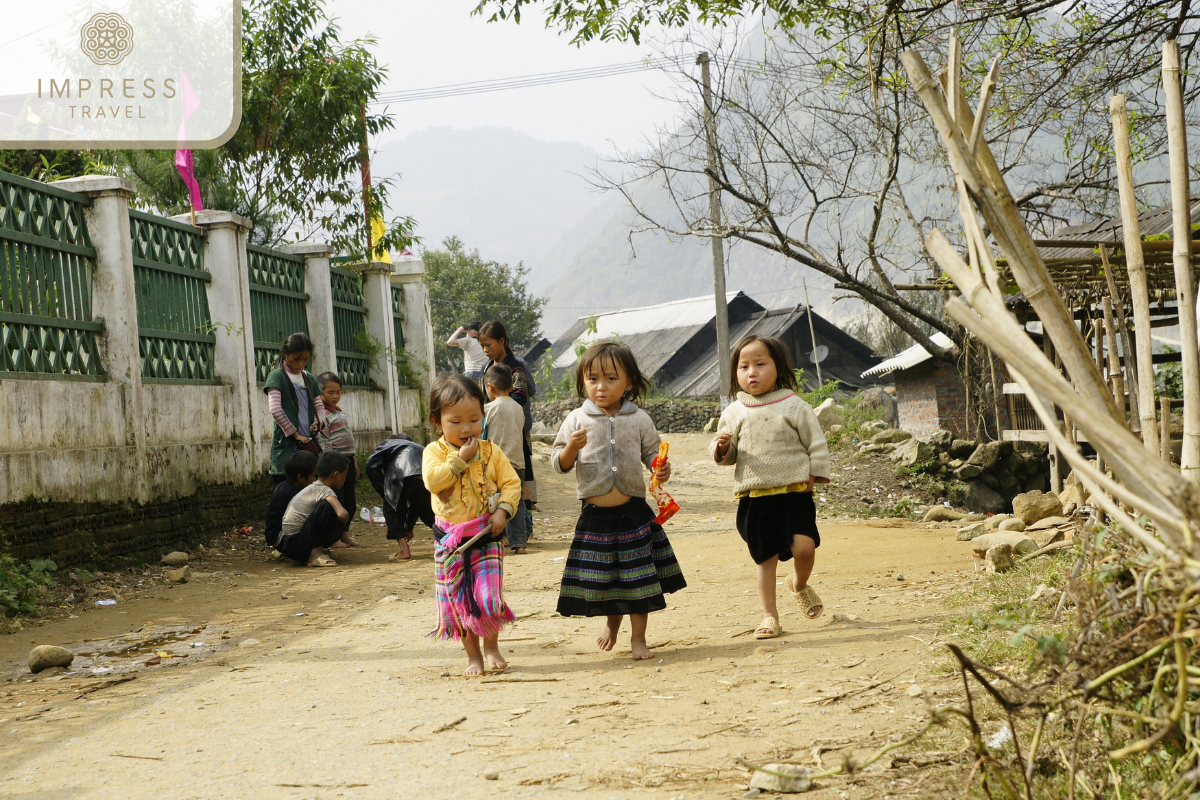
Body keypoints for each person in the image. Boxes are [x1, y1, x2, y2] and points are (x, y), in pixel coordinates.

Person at [552, 341, 686, 661]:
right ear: (583, 381)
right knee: (609, 581)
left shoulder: (639, 418)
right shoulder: (575, 420)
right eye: (593, 378)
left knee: (638, 580)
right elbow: (559, 464)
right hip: (595, 516)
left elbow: (653, 457)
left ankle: (638, 640)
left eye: (611, 378)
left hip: (634, 513)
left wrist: (660, 468)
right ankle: (612, 625)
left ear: (628, 383)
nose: (601, 386)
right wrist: (571, 447)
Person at [710, 334, 830, 640]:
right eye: (744, 366)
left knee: (805, 548)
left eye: (760, 364)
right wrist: (722, 448)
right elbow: (728, 456)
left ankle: (799, 584)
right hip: (756, 497)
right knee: (765, 558)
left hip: (795, 493)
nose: (752, 372)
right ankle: (770, 616)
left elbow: (816, 443)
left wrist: (814, 474)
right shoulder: (734, 412)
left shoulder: (793, 406)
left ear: (778, 367)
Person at [422, 374, 522, 677]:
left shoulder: (491, 452)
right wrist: (459, 461)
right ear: (438, 421)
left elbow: (511, 484)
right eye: (456, 422)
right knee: (460, 604)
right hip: (450, 543)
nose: (466, 429)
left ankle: (491, 647)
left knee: (488, 598)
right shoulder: (433, 452)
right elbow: (433, 482)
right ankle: (474, 657)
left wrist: (503, 511)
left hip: (486, 537)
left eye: (474, 419)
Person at [477, 320, 536, 538]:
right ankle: (515, 532)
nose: (485, 350)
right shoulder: (485, 368)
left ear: (502, 341)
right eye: (482, 346)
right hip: (495, 433)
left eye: (489, 345)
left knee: (519, 484)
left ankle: (524, 529)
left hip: (515, 430)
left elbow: (522, 394)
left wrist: (501, 405)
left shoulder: (516, 365)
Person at [264, 333, 326, 486]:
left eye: (305, 359)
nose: (301, 363)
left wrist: (320, 422)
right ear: (285, 354)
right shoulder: (277, 376)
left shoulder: (309, 378)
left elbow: (319, 405)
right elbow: (275, 409)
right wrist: (296, 434)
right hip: (286, 446)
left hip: (308, 445)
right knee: (286, 490)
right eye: (297, 358)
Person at [366, 434, 435, 562]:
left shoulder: (388, 444)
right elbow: (415, 506)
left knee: (391, 510)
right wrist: (408, 528)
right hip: (426, 475)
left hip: (401, 472)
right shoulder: (419, 447)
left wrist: (384, 490)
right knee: (426, 509)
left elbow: (371, 464)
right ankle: (447, 543)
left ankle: (404, 550)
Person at [482, 363, 529, 553]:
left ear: (489, 387)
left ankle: (493, 540)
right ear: (511, 387)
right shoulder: (519, 408)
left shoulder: (488, 409)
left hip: (497, 463)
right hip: (518, 462)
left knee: (493, 502)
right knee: (516, 502)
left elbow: (483, 436)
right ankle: (520, 544)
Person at [278, 451, 352, 567]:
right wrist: (340, 525)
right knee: (326, 507)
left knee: (327, 508)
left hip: (291, 545)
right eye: (345, 475)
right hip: (297, 546)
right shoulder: (324, 490)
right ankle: (315, 554)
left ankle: (318, 550)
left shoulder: (314, 487)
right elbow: (342, 514)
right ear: (336, 474)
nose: (345, 479)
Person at [315, 371, 358, 532]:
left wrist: (353, 460)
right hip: (336, 466)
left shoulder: (339, 411)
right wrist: (332, 465)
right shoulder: (323, 416)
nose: (335, 396)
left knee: (350, 502)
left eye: (338, 392)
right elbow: (325, 442)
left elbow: (348, 441)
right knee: (337, 500)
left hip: (347, 462)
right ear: (320, 394)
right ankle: (335, 536)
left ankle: (344, 534)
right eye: (330, 392)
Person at [264, 450, 318, 550]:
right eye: (313, 476)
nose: (315, 480)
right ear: (300, 477)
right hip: (280, 538)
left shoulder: (286, 486)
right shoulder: (291, 493)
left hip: (277, 536)